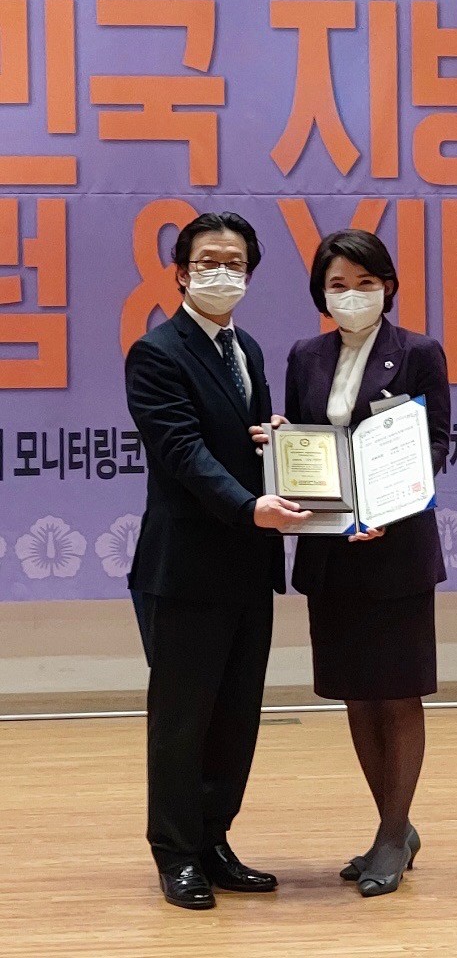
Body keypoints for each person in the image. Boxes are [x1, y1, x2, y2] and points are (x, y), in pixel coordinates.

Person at [254, 230, 450, 898]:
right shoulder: (305, 355)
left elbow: (435, 446)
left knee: (397, 691)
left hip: (395, 549)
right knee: (356, 692)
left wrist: (387, 508)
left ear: (388, 286)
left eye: (366, 283)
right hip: (331, 550)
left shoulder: (418, 352)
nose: (353, 295)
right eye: (338, 284)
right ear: (321, 292)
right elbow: (310, 441)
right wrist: (284, 444)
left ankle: (391, 836)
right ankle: (394, 826)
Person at [125, 211, 310, 910]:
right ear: (180, 272)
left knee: (236, 717)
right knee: (182, 719)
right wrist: (248, 506)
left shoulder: (247, 349)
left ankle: (214, 840)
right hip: (185, 568)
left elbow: (239, 441)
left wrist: (278, 442)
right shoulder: (157, 353)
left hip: (247, 565)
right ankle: (176, 855)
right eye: (208, 262)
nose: (222, 274)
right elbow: (182, 452)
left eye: (235, 263)